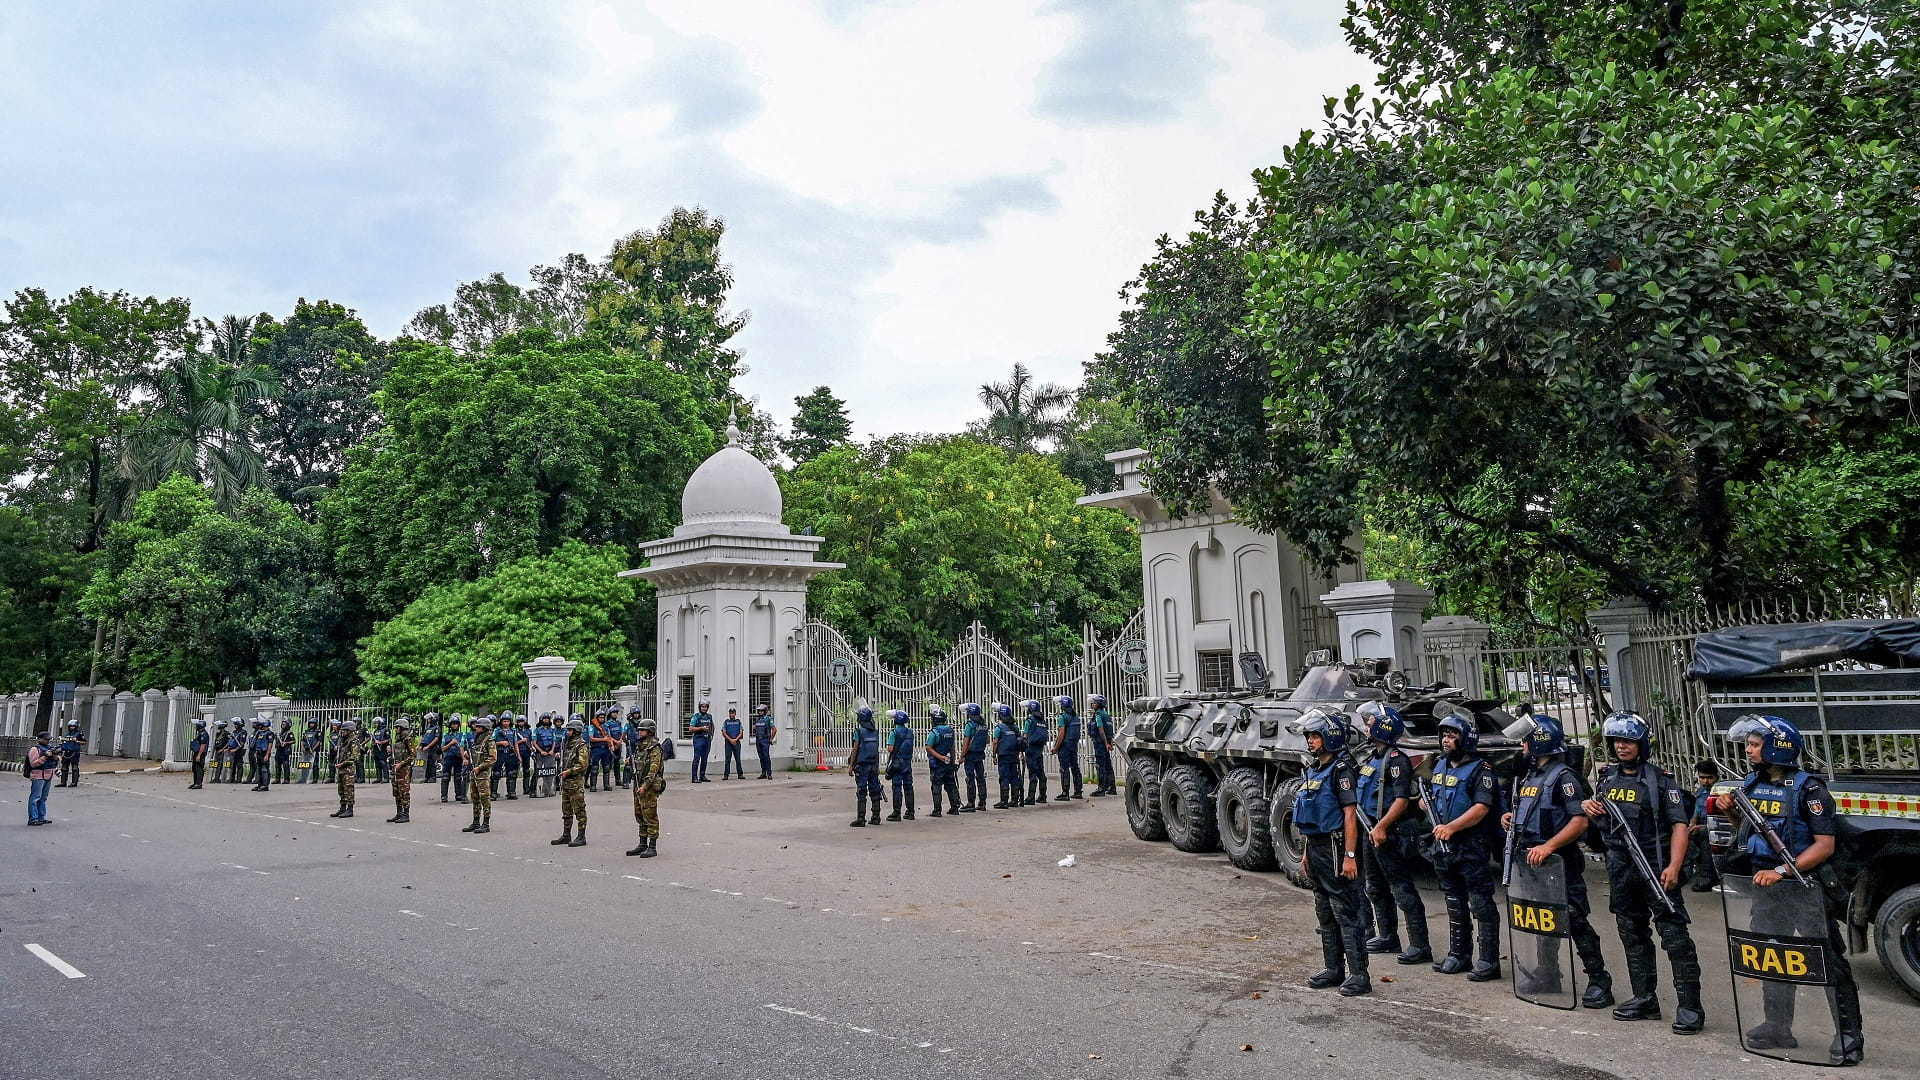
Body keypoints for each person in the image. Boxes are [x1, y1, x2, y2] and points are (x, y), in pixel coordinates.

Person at [1725, 714, 1863, 1065]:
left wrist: (1782, 869)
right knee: (1772, 956)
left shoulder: (1808, 788)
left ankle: (1848, 1035)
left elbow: (1824, 846)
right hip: (1765, 888)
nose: (1749, 750)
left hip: (1804, 887)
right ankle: (1777, 1026)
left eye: (1755, 745)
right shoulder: (1752, 784)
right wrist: (1732, 815)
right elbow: (1747, 835)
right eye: (1750, 744)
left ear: (1776, 748)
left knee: (1828, 961)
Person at [1583, 711, 1703, 1032]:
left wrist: (1675, 866)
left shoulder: (1660, 780)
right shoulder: (1607, 778)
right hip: (1622, 871)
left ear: (1641, 744)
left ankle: (1690, 1007)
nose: (1622, 746)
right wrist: (1591, 810)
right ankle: (1644, 998)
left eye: (1628, 741)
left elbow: (1679, 825)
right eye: (1617, 740)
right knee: (1632, 934)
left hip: (1656, 868)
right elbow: (1603, 828)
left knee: (1675, 939)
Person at [1505, 715, 1614, 1004]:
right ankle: (1548, 974)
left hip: (1558, 861)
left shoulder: (1564, 777)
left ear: (1540, 742)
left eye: (1526, 740)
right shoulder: (1531, 776)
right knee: (1543, 919)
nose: (1522, 745)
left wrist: (1549, 846)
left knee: (1574, 919)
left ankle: (1599, 980)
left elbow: (1579, 822)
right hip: (1533, 860)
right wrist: (1512, 820)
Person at [1294, 709, 1369, 996]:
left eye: (1315, 735)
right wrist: (1305, 853)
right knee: (1324, 911)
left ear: (1328, 737)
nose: (1310, 741)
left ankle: (1359, 975)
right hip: (1316, 847)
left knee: (1345, 911)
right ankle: (1334, 969)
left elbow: (1350, 815)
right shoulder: (1313, 769)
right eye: (1309, 736)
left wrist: (1350, 856)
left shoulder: (1341, 770)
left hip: (1337, 847)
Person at [1426, 712, 1504, 981]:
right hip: (1443, 846)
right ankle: (1458, 954)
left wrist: (1452, 828)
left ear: (1465, 739)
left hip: (1470, 845)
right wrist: (1426, 805)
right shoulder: (1440, 765)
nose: (1446, 740)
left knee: (1480, 903)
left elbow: (1481, 808)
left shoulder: (1482, 770)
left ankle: (1488, 961)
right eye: (1444, 735)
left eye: (1452, 736)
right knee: (1453, 902)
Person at [1353, 702, 1431, 966]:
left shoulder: (1396, 761)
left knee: (1402, 889)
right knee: (1374, 886)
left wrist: (1382, 827)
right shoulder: (1371, 759)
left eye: (1370, 723)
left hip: (1388, 833)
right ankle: (1387, 935)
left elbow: (1400, 801)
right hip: (1369, 830)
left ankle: (1420, 944)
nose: (1366, 727)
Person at [627, 717, 665, 857]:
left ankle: (652, 846)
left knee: (650, 815)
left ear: (650, 732)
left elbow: (653, 771)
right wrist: (631, 761)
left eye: (642, 730)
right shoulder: (640, 746)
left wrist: (644, 786)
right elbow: (640, 763)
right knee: (639, 814)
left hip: (648, 787)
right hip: (638, 784)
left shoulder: (654, 748)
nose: (639, 732)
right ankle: (642, 843)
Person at [554, 716, 589, 846]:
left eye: (570, 730)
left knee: (579, 809)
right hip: (566, 782)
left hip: (575, 782)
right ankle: (566, 834)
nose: (567, 732)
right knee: (566, 809)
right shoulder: (566, 744)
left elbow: (583, 765)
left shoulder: (581, 745)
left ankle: (581, 836)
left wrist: (568, 772)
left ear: (576, 731)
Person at [1688, 759, 1723, 892]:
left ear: (1716, 777)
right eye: (1702, 777)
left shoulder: (1720, 792)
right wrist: (1691, 824)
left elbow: (1722, 822)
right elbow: (1696, 812)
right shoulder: (1701, 792)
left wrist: (1700, 828)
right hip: (1701, 827)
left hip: (1717, 830)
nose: (1705, 781)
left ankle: (1708, 876)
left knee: (1704, 835)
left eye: (1709, 778)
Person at [848, 706, 883, 827]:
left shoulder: (858, 732)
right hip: (873, 765)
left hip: (862, 766)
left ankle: (861, 818)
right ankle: (876, 816)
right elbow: (876, 750)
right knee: (875, 790)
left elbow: (855, 749)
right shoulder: (875, 731)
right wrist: (877, 766)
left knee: (861, 791)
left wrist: (851, 765)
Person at [926, 705, 961, 817]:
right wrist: (953, 760)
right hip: (949, 761)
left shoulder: (934, 732)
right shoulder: (950, 730)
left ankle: (937, 810)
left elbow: (928, 747)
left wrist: (939, 757)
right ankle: (955, 807)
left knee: (936, 785)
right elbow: (952, 747)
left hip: (937, 763)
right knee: (951, 784)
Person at [464, 716, 496, 834]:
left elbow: (493, 758)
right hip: (474, 772)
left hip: (482, 774)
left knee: (485, 798)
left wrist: (480, 767)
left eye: (478, 726)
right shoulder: (476, 739)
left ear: (484, 728)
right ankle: (476, 821)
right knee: (475, 797)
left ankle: (486, 823)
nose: (475, 728)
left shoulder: (489, 741)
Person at [885, 709, 916, 821]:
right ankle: (910, 812)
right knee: (908, 786)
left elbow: (891, 748)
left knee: (897, 787)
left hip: (897, 763)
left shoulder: (894, 732)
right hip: (907, 762)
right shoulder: (910, 732)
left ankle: (896, 812)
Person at [330, 718, 363, 818]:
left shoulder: (354, 741)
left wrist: (343, 764)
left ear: (349, 730)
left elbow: (355, 757)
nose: (342, 732)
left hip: (348, 768)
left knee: (348, 789)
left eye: (344, 730)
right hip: (341, 768)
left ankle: (350, 809)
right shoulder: (343, 740)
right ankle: (342, 807)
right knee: (341, 789)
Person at [1053, 696, 1083, 800]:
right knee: (1075, 767)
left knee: (1064, 768)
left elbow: (1061, 733)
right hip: (1073, 744)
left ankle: (1065, 792)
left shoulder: (1063, 717)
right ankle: (1078, 791)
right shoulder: (1076, 716)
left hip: (1065, 745)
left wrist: (1056, 747)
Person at [388, 716, 418, 824]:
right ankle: (399, 813)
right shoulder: (398, 738)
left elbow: (413, 755)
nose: (396, 729)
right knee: (396, 791)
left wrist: (402, 763)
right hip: (396, 767)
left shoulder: (408, 739)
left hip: (404, 769)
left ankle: (406, 814)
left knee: (404, 791)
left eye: (397, 727)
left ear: (402, 727)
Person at [991, 704, 1022, 810]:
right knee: (1014, 777)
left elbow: (995, 742)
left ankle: (1004, 801)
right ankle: (1015, 800)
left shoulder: (999, 728)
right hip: (1014, 755)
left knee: (1004, 777)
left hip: (1003, 756)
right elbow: (1020, 741)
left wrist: (994, 755)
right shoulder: (1015, 727)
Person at [1087, 694, 1117, 797]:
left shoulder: (1098, 715)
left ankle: (1101, 789)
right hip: (1106, 742)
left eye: (1094, 703)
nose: (1092, 704)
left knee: (1101, 765)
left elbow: (1101, 729)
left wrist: (1105, 743)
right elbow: (1110, 730)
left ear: (1099, 704)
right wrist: (1109, 742)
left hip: (1100, 743)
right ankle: (1112, 787)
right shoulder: (1106, 714)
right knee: (1108, 765)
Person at [959, 703, 988, 812]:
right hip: (980, 754)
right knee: (980, 778)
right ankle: (982, 802)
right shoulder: (984, 724)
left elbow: (966, 741)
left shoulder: (970, 725)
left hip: (970, 755)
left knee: (970, 778)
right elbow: (987, 740)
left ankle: (971, 803)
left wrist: (962, 756)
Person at [26, 731, 56, 825]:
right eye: (46, 739)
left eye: (48, 739)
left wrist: (56, 757)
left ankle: (41, 817)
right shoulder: (35, 749)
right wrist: (45, 757)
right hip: (38, 775)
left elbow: (58, 759)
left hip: (48, 775)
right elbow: (33, 763)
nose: (48, 741)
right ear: (39, 739)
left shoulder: (50, 748)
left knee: (43, 798)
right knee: (35, 798)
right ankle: (33, 819)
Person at [1021, 699, 1048, 806]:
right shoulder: (1042, 721)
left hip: (1031, 748)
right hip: (1039, 748)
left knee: (1032, 772)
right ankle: (1043, 795)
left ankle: (1031, 797)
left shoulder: (1030, 720)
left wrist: (1021, 750)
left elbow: (1025, 735)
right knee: (1040, 771)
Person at [441, 716, 469, 803]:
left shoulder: (462, 735)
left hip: (458, 758)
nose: (454, 726)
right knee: (445, 777)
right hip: (448, 758)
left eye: (456, 724)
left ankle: (459, 795)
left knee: (458, 777)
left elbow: (464, 746)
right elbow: (442, 748)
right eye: (453, 724)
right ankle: (444, 796)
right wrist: (451, 743)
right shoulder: (446, 736)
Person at [532, 714, 561, 798]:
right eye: (544, 719)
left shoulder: (552, 730)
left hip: (550, 753)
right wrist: (541, 751)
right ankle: (534, 791)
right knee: (538, 772)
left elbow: (554, 741)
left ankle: (548, 790)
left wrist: (552, 750)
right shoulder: (537, 730)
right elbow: (534, 742)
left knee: (550, 772)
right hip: (540, 753)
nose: (546, 720)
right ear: (541, 720)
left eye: (547, 719)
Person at [493, 711, 519, 801]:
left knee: (511, 773)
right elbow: (491, 743)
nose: (506, 723)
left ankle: (511, 792)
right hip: (500, 753)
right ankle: (493, 793)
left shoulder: (513, 731)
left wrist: (518, 755)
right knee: (496, 773)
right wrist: (501, 743)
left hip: (510, 753)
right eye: (504, 721)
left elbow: (515, 744)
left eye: (507, 721)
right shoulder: (497, 731)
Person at [688, 701, 714, 783]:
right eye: (702, 707)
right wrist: (701, 728)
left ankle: (702, 776)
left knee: (705, 758)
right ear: (700, 707)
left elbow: (712, 726)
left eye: (705, 707)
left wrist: (711, 735)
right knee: (696, 758)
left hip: (707, 740)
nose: (704, 708)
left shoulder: (709, 716)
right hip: (698, 739)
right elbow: (691, 729)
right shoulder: (696, 716)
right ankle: (694, 777)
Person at [751, 703, 777, 779]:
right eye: (759, 711)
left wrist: (771, 739)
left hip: (765, 740)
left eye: (761, 711)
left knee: (766, 756)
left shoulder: (768, 719)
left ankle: (769, 773)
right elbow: (755, 728)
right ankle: (763, 772)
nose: (760, 712)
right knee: (761, 757)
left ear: (765, 711)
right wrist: (754, 727)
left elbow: (774, 729)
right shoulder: (758, 720)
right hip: (758, 740)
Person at [721, 707, 746, 780]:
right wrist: (731, 740)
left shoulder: (738, 722)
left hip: (736, 742)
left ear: (735, 714)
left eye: (733, 713)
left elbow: (741, 732)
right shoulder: (726, 722)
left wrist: (735, 739)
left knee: (738, 759)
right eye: (730, 713)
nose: (731, 714)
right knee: (727, 759)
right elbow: (723, 732)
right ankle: (726, 775)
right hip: (728, 743)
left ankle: (740, 774)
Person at [249, 719, 273, 791]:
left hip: (265, 752)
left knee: (264, 769)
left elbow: (270, 744)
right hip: (259, 752)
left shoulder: (269, 733)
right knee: (259, 769)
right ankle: (260, 784)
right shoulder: (260, 733)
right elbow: (258, 743)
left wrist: (267, 755)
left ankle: (265, 785)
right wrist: (256, 752)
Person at [57, 722, 83, 788]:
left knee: (74, 767)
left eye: (73, 726)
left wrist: (77, 741)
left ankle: (74, 783)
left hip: (74, 753)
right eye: (70, 726)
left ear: (76, 727)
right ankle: (63, 782)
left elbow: (84, 742)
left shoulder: (79, 734)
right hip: (66, 752)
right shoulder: (67, 734)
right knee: (64, 767)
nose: (71, 727)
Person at [421, 712, 442, 784]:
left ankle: (432, 777)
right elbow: (424, 737)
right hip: (425, 748)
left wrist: (428, 746)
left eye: (430, 719)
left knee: (432, 762)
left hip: (433, 748)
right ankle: (426, 777)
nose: (429, 720)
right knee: (426, 762)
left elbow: (436, 739)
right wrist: (419, 745)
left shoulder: (437, 728)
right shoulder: (428, 727)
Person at [188, 719, 209, 789]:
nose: (196, 726)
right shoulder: (199, 733)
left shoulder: (204, 734)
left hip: (201, 753)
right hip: (197, 752)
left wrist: (199, 755)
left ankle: (199, 784)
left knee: (199, 768)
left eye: (197, 725)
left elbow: (203, 745)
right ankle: (195, 783)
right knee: (195, 768)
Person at [370, 718, 392, 784]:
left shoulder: (385, 730)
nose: (376, 724)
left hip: (382, 748)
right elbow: (373, 741)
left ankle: (386, 778)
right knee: (377, 764)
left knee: (383, 763)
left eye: (377, 723)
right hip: (376, 749)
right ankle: (379, 778)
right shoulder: (375, 731)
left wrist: (380, 742)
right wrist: (371, 748)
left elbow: (388, 739)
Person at [274, 719, 294, 785]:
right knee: (277, 765)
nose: (283, 726)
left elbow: (293, 741)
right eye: (282, 724)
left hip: (285, 751)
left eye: (284, 724)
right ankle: (277, 779)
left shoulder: (289, 733)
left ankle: (286, 779)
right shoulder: (280, 733)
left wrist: (286, 743)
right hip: (279, 750)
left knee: (285, 765)